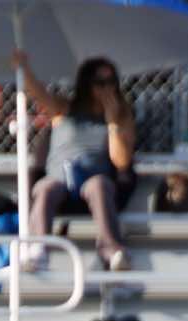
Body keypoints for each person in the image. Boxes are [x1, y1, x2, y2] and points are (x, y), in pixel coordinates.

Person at [15, 52, 137, 273]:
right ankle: (39, 249)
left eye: (112, 82)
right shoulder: (64, 109)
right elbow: (37, 93)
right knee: (45, 188)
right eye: (100, 83)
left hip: (93, 181)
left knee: (99, 185)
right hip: (60, 179)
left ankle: (111, 250)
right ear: (87, 84)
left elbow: (121, 161)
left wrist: (111, 122)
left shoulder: (122, 116)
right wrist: (23, 67)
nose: (107, 89)